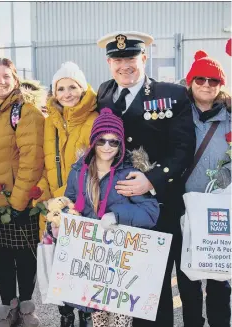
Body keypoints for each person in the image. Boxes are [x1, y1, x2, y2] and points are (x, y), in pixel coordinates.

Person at [96, 31, 196, 327]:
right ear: (108, 62)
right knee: (125, 283)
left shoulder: (171, 95)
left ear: (144, 58)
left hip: (158, 206)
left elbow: (182, 150)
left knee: (155, 285)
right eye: (117, 59)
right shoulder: (104, 92)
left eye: (130, 58)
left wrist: (151, 180)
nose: (124, 65)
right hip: (115, 207)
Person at [63, 108, 160, 327]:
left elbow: (151, 212)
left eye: (114, 142)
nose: (107, 147)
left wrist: (118, 215)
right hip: (92, 258)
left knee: (120, 319)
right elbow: (68, 202)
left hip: (120, 262)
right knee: (96, 317)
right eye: (102, 141)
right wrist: (62, 220)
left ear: (121, 145)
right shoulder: (79, 172)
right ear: (93, 142)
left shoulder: (128, 174)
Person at [0, 58, 44, 327]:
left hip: (17, 201)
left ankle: (26, 307)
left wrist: (18, 202)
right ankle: (8, 306)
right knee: (1, 258)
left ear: (15, 79)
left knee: (25, 257)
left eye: (6, 76)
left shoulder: (24, 111)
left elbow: (32, 159)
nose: (0, 81)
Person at [36, 61, 98, 327]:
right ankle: (65, 316)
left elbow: (94, 168)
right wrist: (42, 196)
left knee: (81, 264)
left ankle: (85, 314)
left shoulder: (94, 120)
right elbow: (45, 162)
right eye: (61, 88)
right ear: (54, 92)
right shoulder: (50, 121)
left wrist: (59, 205)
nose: (67, 93)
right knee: (59, 265)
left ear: (82, 89)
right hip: (53, 206)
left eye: (73, 87)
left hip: (80, 206)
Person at [182, 50, 231, 327]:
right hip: (185, 205)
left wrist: (228, 173)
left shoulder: (230, 115)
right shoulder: (177, 113)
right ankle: (192, 322)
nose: (206, 85)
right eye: (200, 78)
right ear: (191, 82)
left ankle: (220, 323)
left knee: (219, 275)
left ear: (220, 85)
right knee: (188, 274)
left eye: (213, 80)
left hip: (218, 206)